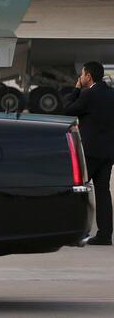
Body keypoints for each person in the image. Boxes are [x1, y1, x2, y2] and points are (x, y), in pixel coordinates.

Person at [64, 61, 114, 245]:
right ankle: (105, 235)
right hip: (108, 152)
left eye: (82, 74)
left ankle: (74, 232)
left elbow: (67, 110)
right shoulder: (111, 94)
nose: (81, 77)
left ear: (89, 76)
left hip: (89, 152)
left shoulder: (88, 95)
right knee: (103, 193)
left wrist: (76, 89)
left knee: (77, 190)